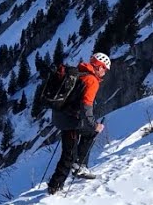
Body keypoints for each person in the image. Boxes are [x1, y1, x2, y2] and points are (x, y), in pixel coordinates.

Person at [46, 52, 111, 195]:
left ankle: (80, 165)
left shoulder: (79, 73)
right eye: (104, 69)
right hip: (71, 121)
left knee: (89, 133)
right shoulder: (91, 80)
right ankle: (54, 188)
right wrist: (94, 124)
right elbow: (86, 106)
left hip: (61, 116)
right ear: (99, 66)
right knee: (68, 155)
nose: (104, 72)